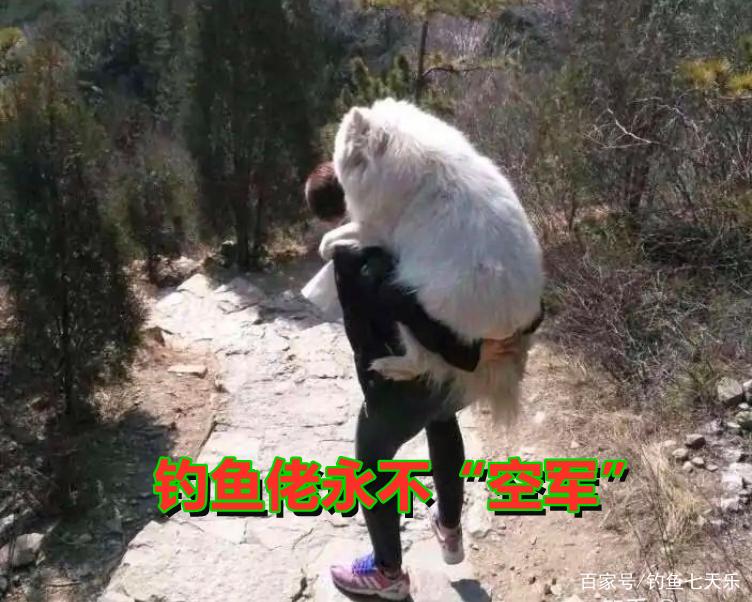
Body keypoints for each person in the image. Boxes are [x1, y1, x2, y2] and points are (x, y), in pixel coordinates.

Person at [304, 164, 519, 600]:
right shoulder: (404, 222)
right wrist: (470, 350)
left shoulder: (354, 252)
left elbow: (401, 302)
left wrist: (469, 353)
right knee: (442, 421)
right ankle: (450, 529)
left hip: (402, 383)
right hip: (445, 375)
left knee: (370, 463)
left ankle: (387, 573)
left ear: (327, 216)